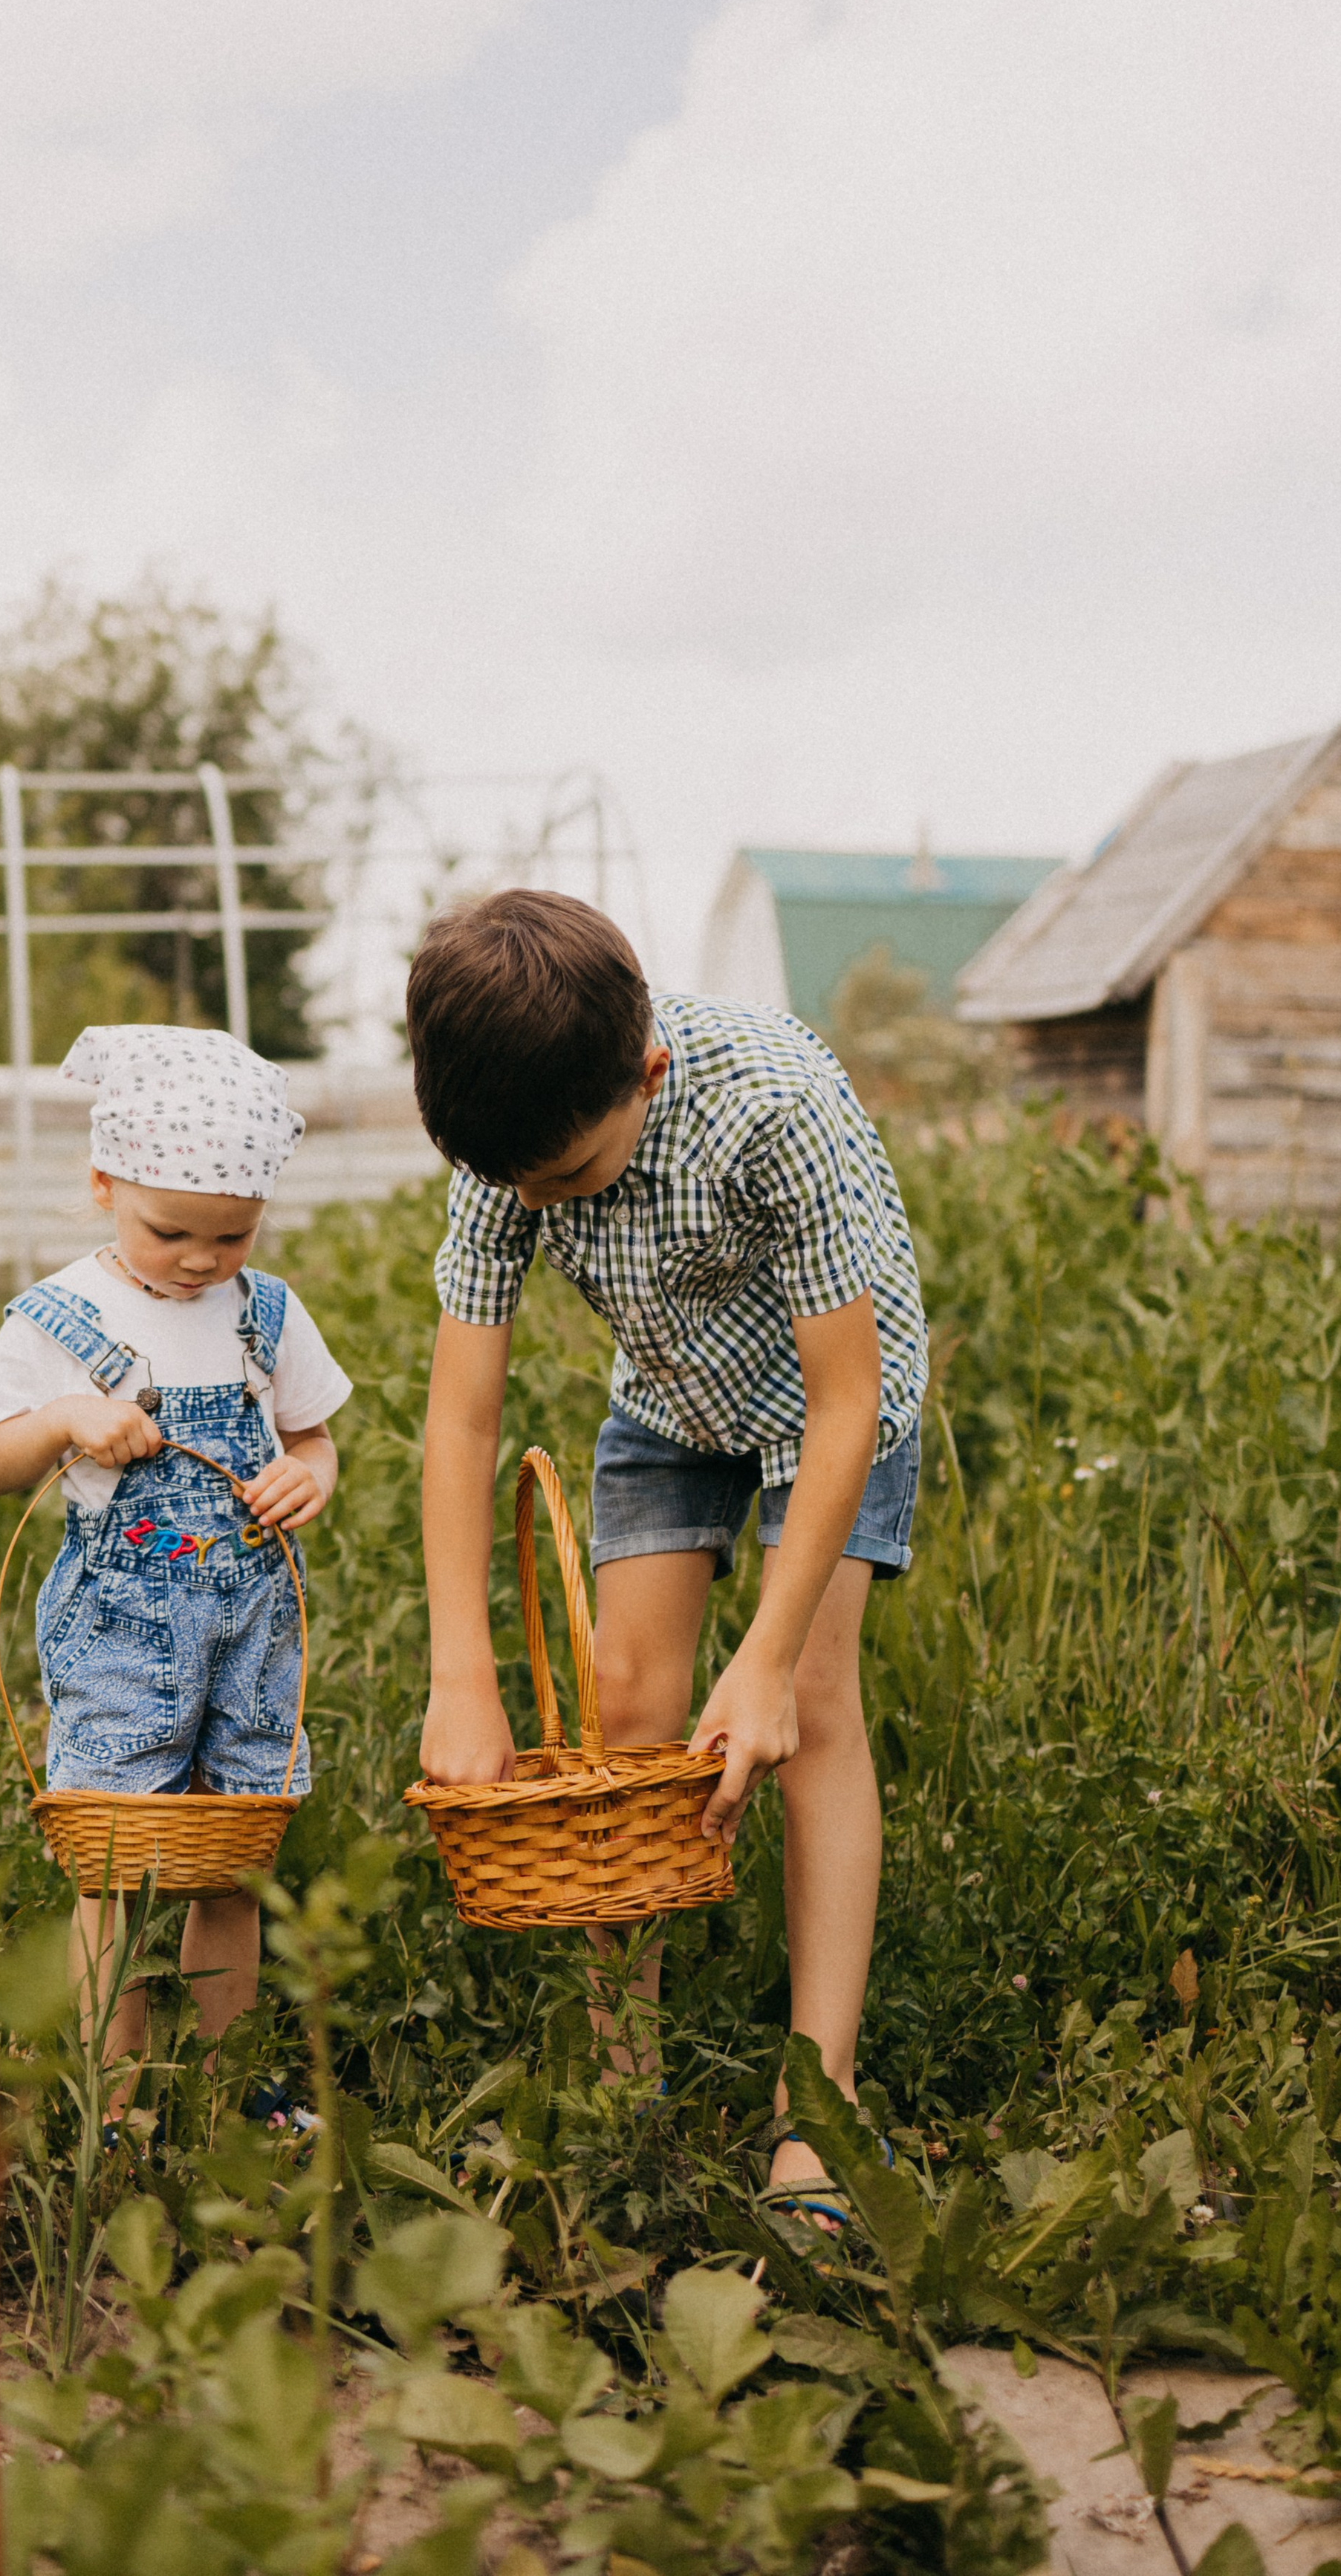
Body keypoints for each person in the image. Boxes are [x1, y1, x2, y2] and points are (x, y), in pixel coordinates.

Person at [407, 890, 927, 2230]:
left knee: (806, 1710)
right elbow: (464, 1414)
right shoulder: (513, 1131)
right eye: (523, 1187)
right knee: (628, 1716)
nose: (543, 1203)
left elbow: (843, 1401)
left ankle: (820, 2105)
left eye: (569, 1183)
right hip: (670, 1396)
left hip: (832, 1410)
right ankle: (620, 2079)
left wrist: (760, 1658)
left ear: (644, 1074)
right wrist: (461, 1667)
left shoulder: (771, 1109)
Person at [0, 1023, 350, 2094]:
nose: (198, 1260)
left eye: (229, 1239)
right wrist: (64, 1421)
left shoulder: (265, 1316)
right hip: (122, 1639)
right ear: (103, 1185)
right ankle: (116, 2093)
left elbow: (314, 1436)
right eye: (171, 1231)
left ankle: (226, 2081)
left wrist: (308, 1476)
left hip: (253, 1631)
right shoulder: (60, 1316)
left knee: (232, 1858)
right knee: (117, 1863)